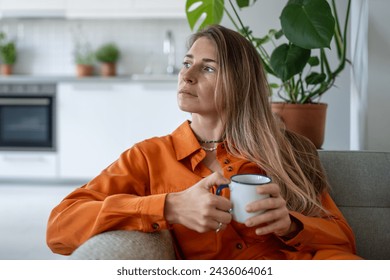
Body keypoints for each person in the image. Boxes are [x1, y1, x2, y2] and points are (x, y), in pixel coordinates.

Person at [47, 24, 361, 260]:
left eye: (207, 68)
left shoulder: (287, 151)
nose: (187, 75)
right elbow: (59, 227)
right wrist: (168, 207)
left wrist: (290, 225)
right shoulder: (149, 157)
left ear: (239, 84)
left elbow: (343, 239)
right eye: (187, 64)